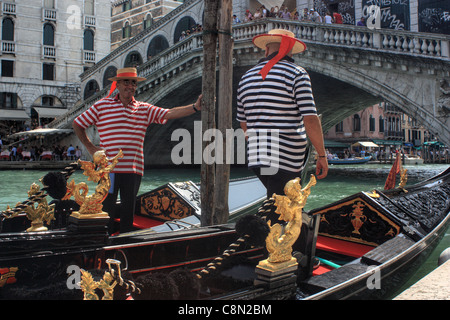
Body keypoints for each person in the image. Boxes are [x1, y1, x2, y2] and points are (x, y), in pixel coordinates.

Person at [73, 67, 202, 233]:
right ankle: (104, 243)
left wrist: (195, 107)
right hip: (108, 171)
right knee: (106, 209)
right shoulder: (102, 106)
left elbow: (169, 113)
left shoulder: (144, 109)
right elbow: (78, 123)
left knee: (128, 211)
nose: (130, 86)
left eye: (133, 83)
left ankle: (125, 243)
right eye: (126, 82)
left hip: (133, 170)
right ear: (117, 85)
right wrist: (91, 148)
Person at [236, 29, 328, 198]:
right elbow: (310, 120)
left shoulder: (246, 77)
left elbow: (243, 123)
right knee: (282, 212)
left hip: (257, 157)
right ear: (290, 50)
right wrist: (321, 155)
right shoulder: (297, 74)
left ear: (267, 49)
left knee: (278, 204)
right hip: (286, 158)